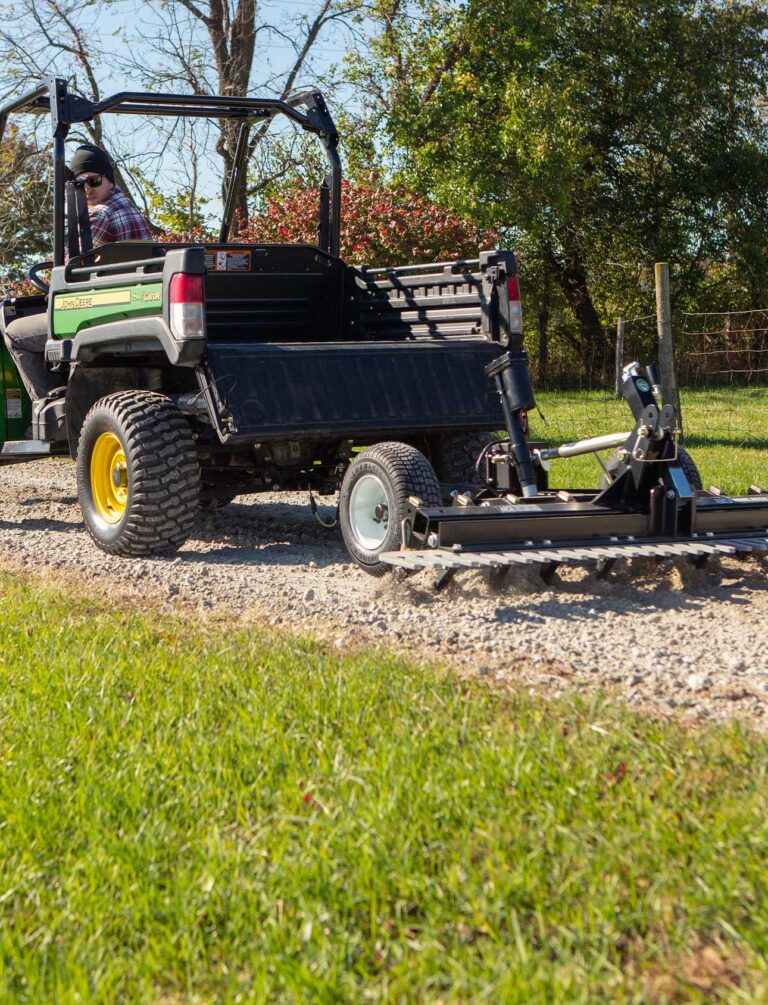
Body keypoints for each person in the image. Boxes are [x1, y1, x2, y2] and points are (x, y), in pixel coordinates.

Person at [3, 143, 152, 404]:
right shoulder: (127, 207)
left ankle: (50, 406)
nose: (88, 189)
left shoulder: (98, 216)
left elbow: (70, 271)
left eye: (94, 180)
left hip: (100, 312)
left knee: (15, 334)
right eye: (81, 183)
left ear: (109, 179)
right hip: (133, 304)